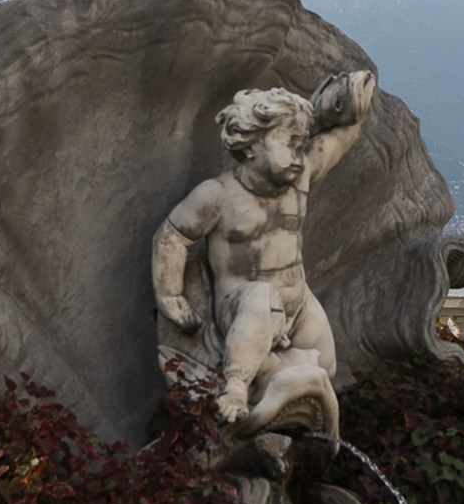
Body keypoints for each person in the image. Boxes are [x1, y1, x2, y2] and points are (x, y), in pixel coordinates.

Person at [151, 68, 375, 437]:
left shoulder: (299, 179)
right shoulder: (218, 195)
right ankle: (236, 386)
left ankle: (296, 414)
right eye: (290, 143)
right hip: (241, 308)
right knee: (261, 297)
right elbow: (172, 237)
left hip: (297, 304)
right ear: (251, 144)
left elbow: (338, 141)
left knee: (326, 364)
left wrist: (352, 105)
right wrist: (170, 295)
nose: (298, 155)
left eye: (301, 144)